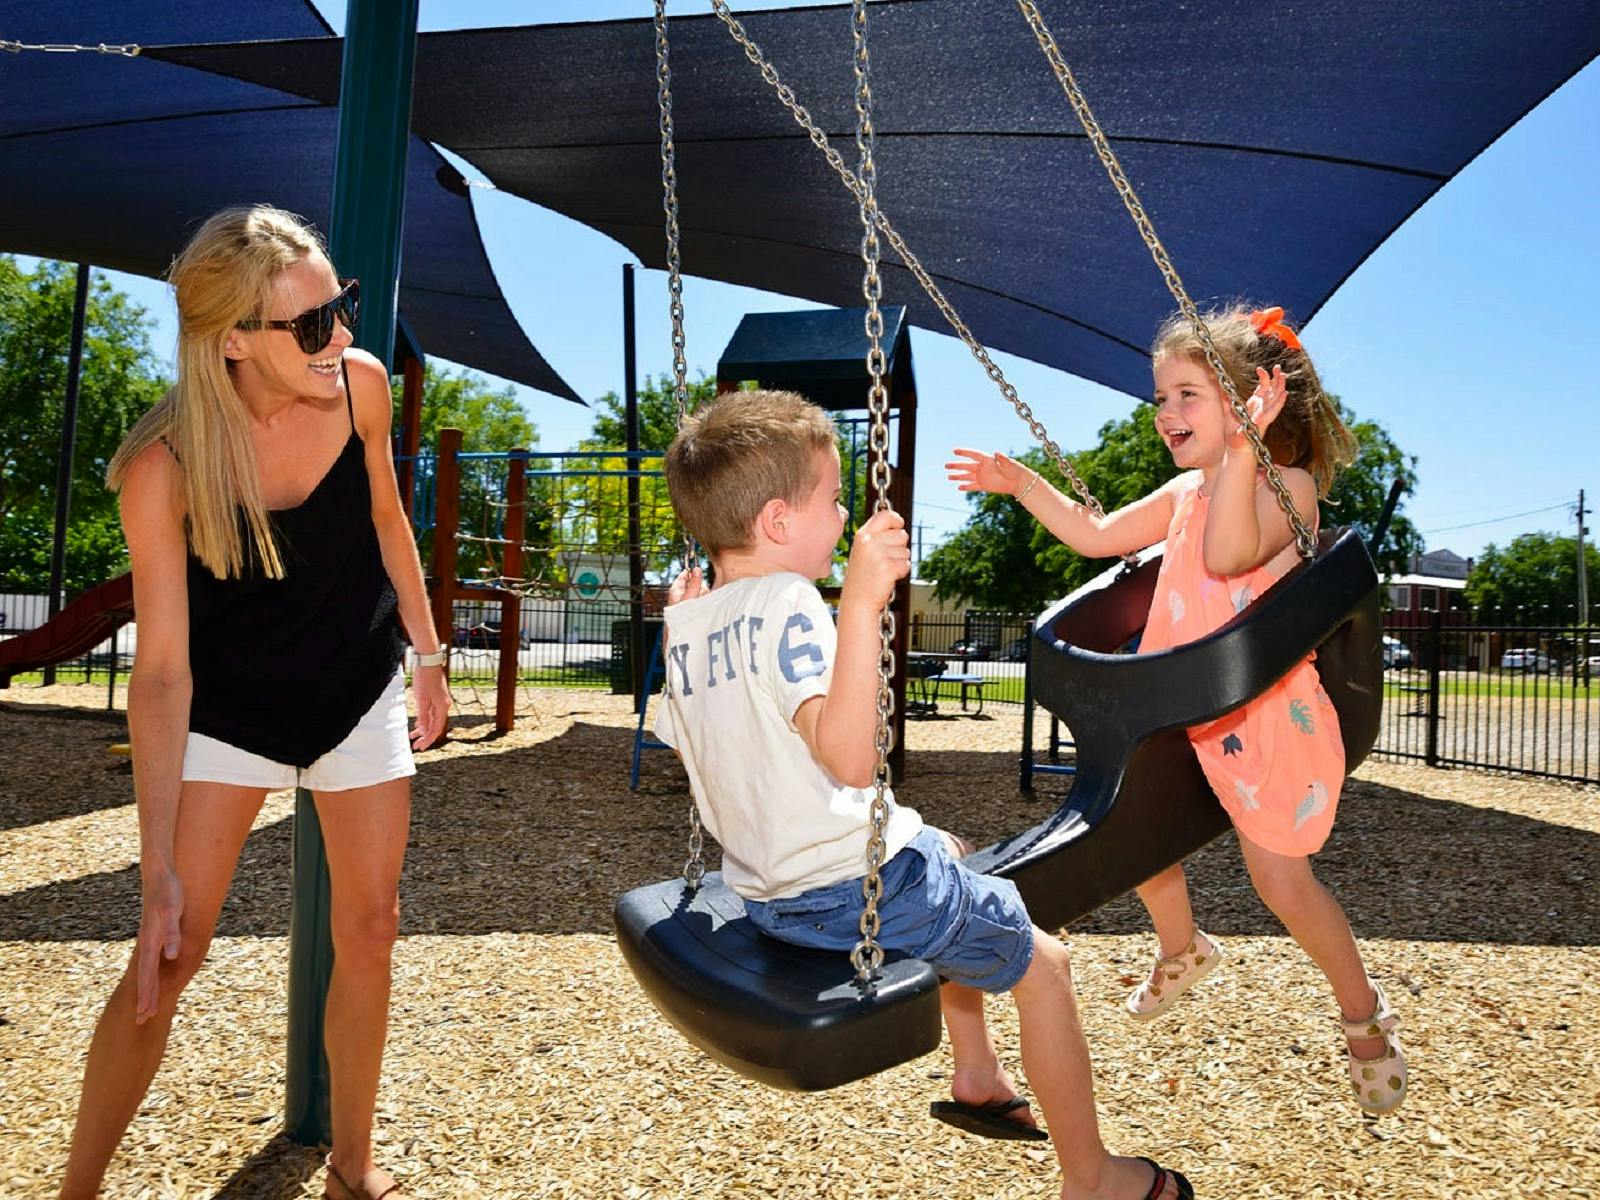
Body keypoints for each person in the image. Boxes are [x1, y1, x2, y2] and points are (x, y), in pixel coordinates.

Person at [657, 389, 1193, 1200]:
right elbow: (848, 759)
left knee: (952, 853)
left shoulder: (688, 623)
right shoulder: (793, 606)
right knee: (1046, 966)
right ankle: (1094, 1178)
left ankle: (977, 1072)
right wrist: (864, 602)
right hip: (848, 888)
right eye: (833, 500)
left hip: (766, 892)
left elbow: (686, 736)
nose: (842, 518)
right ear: (776, 523)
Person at [58, 205, 448, 1200]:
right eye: (314, 323)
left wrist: (431, 653)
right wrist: (154, 875)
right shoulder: (166, 468)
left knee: (370, 928)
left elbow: (389, 520)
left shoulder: (357, 388)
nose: (347, 339)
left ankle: (351, 1167)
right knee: (169, 951)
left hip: (355, 686)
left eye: (342, 307)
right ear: (233, 340)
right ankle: (76, 1191)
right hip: (228, 708)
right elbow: (161, 677)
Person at [947, 305, 1407, 1115]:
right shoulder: (1190, 489)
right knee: (1127, 830)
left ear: (1251, 401)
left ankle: (1363, 1014)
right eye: (1161, 399)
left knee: (1283, 885)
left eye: (1188, 395)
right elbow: (1097, 535)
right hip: (1182, 708)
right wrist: (1022, 483)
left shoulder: (1284, 483)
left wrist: (1238, 457)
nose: (1166, 416)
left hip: (1262, 713)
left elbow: (1231, 554)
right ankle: (1182, 944)